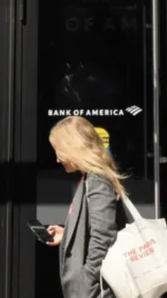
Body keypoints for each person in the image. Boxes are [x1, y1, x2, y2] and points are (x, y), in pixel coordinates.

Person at [45, 116, 126, 298]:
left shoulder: (97, 180)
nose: (57, 159)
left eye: (59, 151)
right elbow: (95, 228)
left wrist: (87, 281)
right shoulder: (91, 178)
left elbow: (103, 237)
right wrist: (66, 235)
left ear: (73, 148)